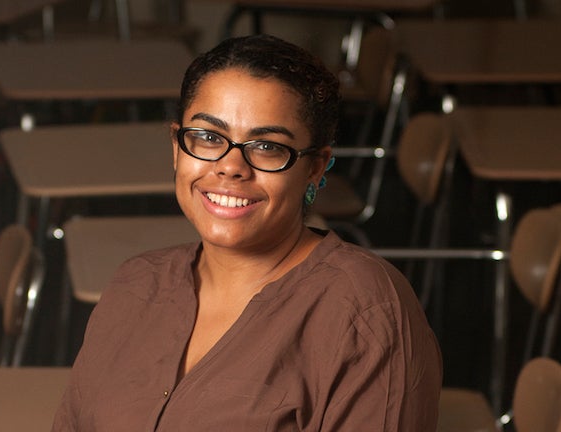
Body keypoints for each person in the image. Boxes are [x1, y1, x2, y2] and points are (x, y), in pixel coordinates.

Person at [52, 34, 441, 431]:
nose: (231, 166)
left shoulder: (366, 315)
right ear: (176, 147)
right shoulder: (134, 284)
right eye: (207, 137)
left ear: (315, 167)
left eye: (267, 146)